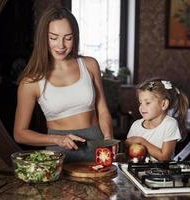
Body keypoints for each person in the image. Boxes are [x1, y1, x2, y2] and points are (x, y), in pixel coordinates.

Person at [13, 6, 114, 162]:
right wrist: (57, 139)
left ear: (75, 37)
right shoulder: (31, 82)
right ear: (43, 38)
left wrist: (108, 138)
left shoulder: (89, 65)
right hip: (60, 155)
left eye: (68, 38)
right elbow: (20, 133)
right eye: (53, 38)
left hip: (97, 148)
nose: (61, 45)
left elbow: (102, 110)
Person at [125, 78, 189, 161]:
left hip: (162, 173)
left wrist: (141, 141)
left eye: (147, 103)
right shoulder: (136, 125)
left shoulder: (170, 124)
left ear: (163, 104)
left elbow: (165, 158)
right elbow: (127, 150)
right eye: (141, 102)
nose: (142, 107)